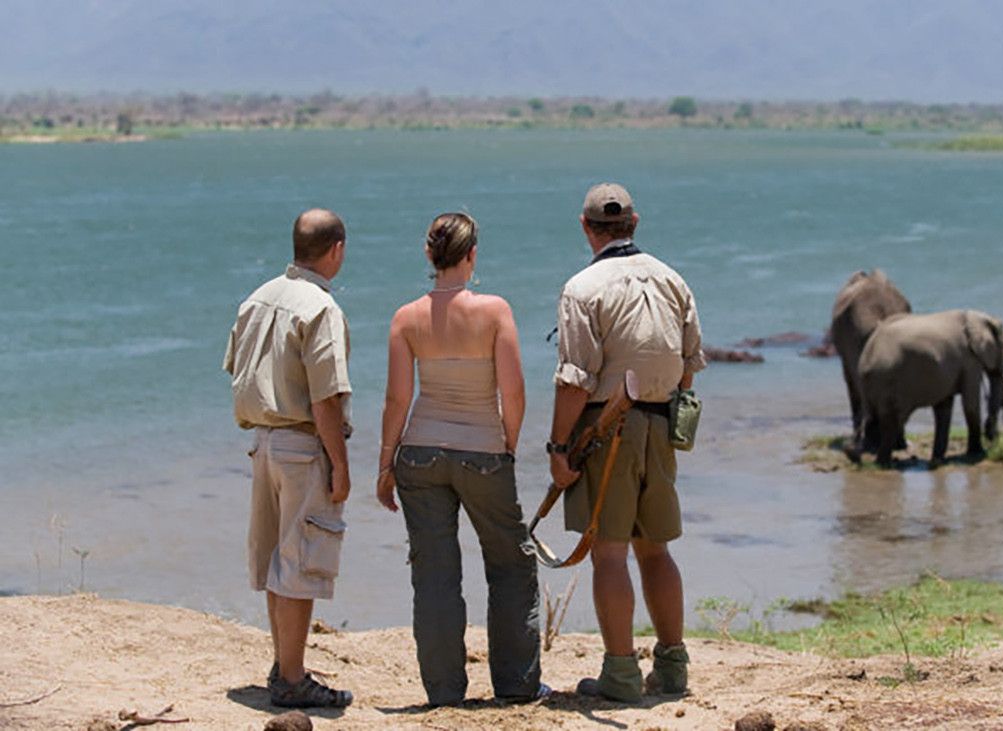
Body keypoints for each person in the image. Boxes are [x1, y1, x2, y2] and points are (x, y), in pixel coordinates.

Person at [376, 212, 544, 707]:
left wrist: (385, 465)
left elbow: (396, 400)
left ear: (429, 256)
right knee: (511, 567)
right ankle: (516, 685)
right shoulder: (494, 312)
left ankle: (445, 694)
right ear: (472, 256)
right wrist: (507, 444)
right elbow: (513, 392)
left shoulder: (406, 317)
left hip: (421, 455)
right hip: (483, 452)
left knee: (434, 574)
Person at [548, 183, 706, 702]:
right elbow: (688, 368)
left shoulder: (582, 288)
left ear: (586, 226)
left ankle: (620, 673)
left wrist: (558, 449)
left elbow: (575, 381)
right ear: (634, 221)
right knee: (656, 550)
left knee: (609, 555)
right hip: (661, 423)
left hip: (607, 427)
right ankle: (673, 666)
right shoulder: (672, 279)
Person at [223, 208, 354, 708]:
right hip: (302, 444)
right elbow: (325, 398)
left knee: (278, 560)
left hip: (263, 441)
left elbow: (237, 368)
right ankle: (293, 678)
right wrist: (340, 464)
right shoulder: (320, 308)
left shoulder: (256, 298)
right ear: (336, 250)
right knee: (301, 563)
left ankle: (285, 665)